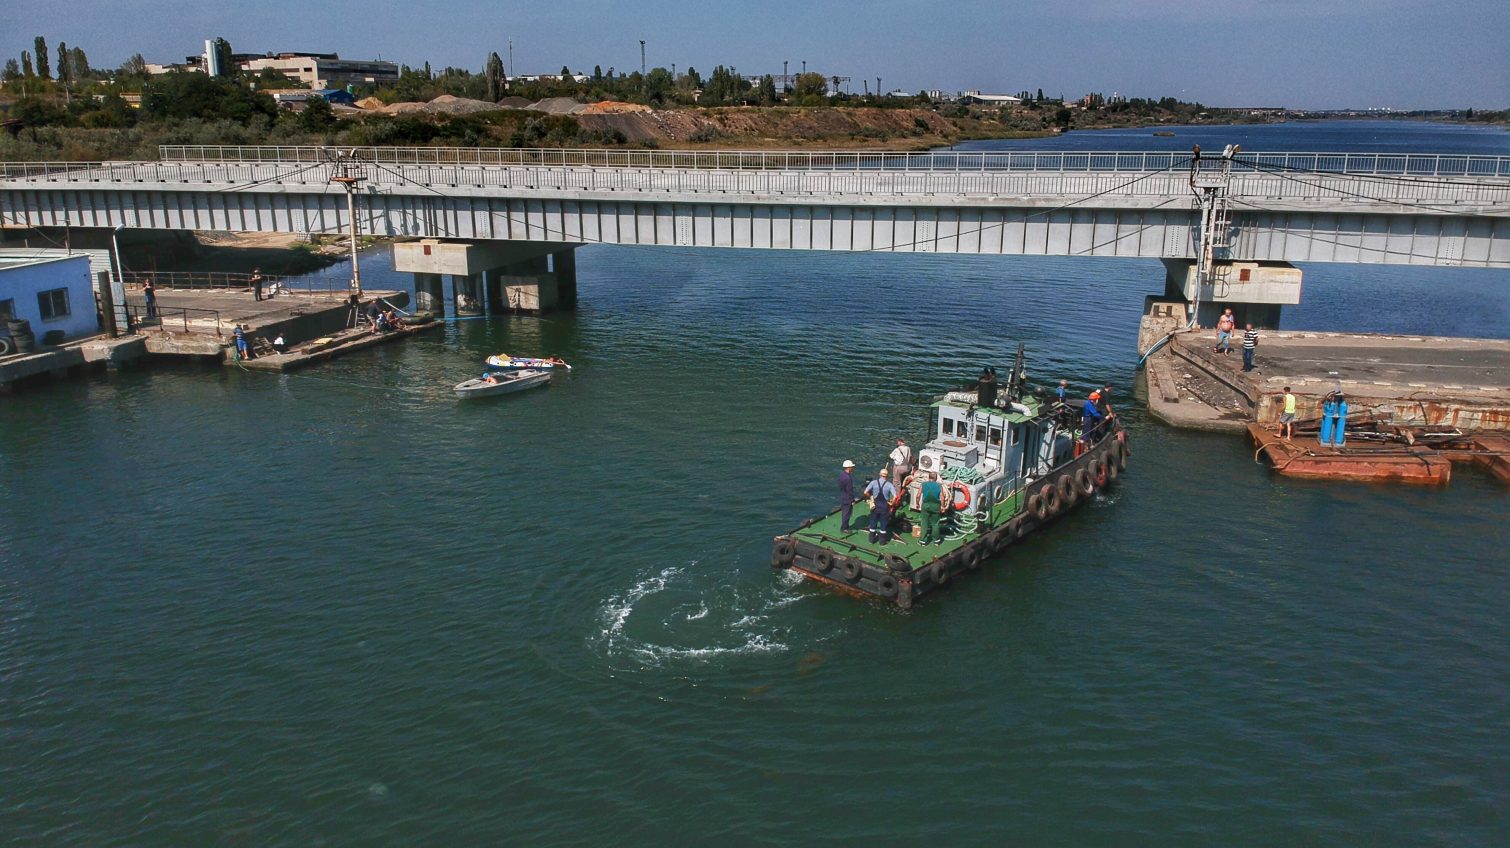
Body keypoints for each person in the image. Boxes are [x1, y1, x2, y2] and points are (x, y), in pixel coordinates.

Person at [864, 469, 898, 544]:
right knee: (883, 523)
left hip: (875, 506)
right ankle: (882, 541)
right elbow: (895, 496)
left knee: (873, 522)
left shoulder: (873, 482)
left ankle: (871, 540)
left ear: (880, 475)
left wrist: (871, 497)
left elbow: (865, 492)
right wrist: (892, 503)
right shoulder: (889, 485)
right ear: (887, 476)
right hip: (884, 507)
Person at [919, 471, 946, 546]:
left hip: (925, 506)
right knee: (935, 524)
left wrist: (917, 504)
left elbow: (918, 495)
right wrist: (943, 507)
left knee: (924, 523)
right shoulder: (939, 486)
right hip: (936, 506)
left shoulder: (923, 484)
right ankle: (936, 541)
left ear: (928, 477)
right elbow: (942, 498)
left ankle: (923, 541)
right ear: (936, 478)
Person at [838, 460, 857, 534]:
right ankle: (844, 528)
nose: (853, 468)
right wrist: (852, 500)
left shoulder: (841, 475)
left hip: (843, 496)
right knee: (847, 513)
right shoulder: (848, 478)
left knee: (844, 513)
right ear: (848, 468)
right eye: (851, 467)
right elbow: (850, 490)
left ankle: (845, 526)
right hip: (848, 499)